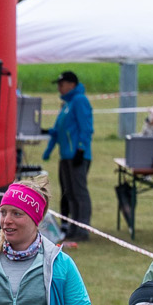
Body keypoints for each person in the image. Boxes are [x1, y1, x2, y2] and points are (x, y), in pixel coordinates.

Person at [43, 70, 94, 244]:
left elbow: (86, 128)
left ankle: (83, 229)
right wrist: (47, 139)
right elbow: (59, 129)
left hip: (77, 155)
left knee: (79, 193)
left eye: (61, 84)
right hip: (65, 155)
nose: (59, 87)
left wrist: (81, 148)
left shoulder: (80, 101)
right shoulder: (67, 104)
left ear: (71, 85)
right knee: (70, 193)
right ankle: (73, 227)